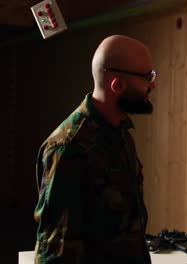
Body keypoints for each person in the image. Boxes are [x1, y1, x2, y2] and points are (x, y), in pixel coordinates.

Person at [34, 35, 156, 264]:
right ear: (117, 85)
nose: (153, 84)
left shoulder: (121, 135)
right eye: (147, 77)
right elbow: (55, 249)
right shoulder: (68, 147)